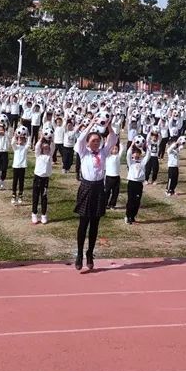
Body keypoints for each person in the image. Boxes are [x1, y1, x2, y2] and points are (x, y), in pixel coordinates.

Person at [73, 115, 118, 271]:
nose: (95, 143)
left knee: (95, 224)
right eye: (93, 141)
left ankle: (90, 253)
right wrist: (92, 123)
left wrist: (108, 126)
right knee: (83, 223)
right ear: (88, 143)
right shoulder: (83, 152)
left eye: (98, 141)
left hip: (99, 188)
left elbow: (112, 139)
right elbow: (80, 140)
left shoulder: (103, 153)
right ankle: (79, 254)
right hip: (86, 187)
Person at [31, 137, 53, 224]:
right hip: (37, 178)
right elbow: (36, 147)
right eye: (44, 148)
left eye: (47, 148)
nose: (46, 149)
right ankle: (34, 214)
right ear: (41, 149)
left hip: (45, 180)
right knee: (35, 197)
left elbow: (53, 146)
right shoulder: (38, 155)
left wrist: (51, 140)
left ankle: (43, 215)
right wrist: (41, 138)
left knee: (44, 197)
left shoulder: (50, 156)